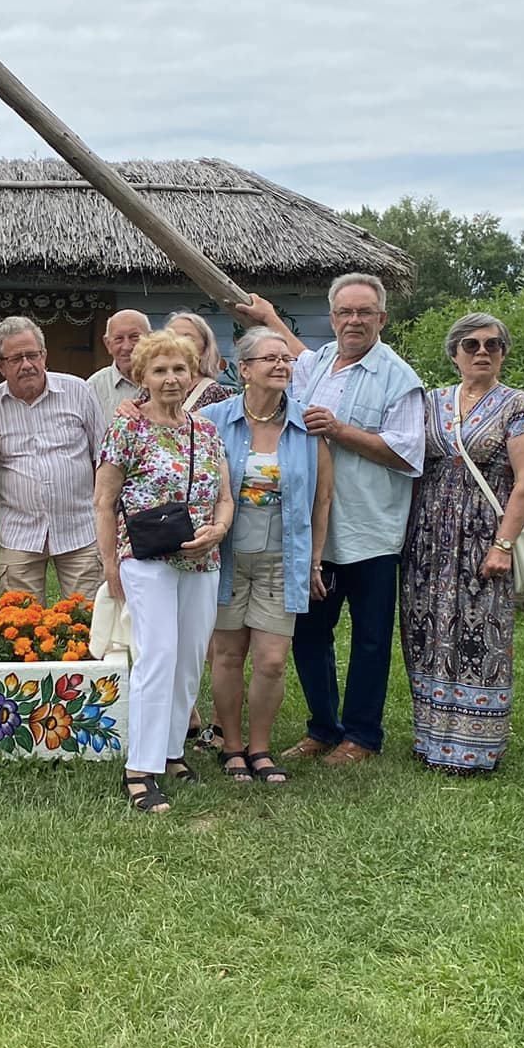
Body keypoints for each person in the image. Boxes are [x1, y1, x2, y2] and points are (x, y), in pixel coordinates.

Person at [235, 275, 424, 765]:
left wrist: (341, 431)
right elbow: (290, 358)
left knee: (369, 638)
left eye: (365, 313)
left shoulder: (398, 377)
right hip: (311, 534)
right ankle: (322, 726)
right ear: (333, 317)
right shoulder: (316, 365)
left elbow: (409, 454)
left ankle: (361, 735)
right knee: (311, 633)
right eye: (345, 312)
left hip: (369, 530)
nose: (354, 321)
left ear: (382, 319)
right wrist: (270, 318)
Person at [94, 329, 234, 812]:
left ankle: (173, 750)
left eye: (179, 369)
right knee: (157, 656)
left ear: (193, 373)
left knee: (190, 657)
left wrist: (218, 530)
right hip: (146, 559)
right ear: (143, 377)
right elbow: (103, 501)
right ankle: (140, 768)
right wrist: (110, 564)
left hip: (202, 560)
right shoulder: (126, 429)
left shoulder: (207, 431)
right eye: (160, 370)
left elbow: (225, 497)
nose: (171, 378)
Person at [398, 313, 524, 775]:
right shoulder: (432, 401)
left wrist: (503, 544)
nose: (482, 352)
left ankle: (475, 748)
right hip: (428, 536)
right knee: (428, 631)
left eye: (493, 345)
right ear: (454, 352)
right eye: (471, 344)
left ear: (504, 352)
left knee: (480, 633)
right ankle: (431, 740)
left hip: (483, 533)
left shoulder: (516, 404)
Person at [203, 328, 332, 786]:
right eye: (269, 359)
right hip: (226, 556)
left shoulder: (306, 424)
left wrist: (314, 561)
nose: (281, 365)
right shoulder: (210, 421)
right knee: (227, 654)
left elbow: (322, 500)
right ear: (245, 369)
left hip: (284, 557)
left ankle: (260, 748)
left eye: (286, 359)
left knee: (273, 659)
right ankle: (232, 747)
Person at [0, 316, 108, 600]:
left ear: (45, 355)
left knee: (86, 621)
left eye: (33, 355)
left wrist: (106, 516)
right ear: (0, 365)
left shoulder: (77, 390)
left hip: (80, 528)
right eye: (16, 358)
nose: (27, 364)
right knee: (19, 628)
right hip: (20, 531)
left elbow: (102, 455)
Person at [85, 309, 150, 419]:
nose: (127, 347)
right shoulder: (94, 387)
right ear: (108, 344)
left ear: (150, 339)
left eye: (134, 337)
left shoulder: (166, 380)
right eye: (119, 339)